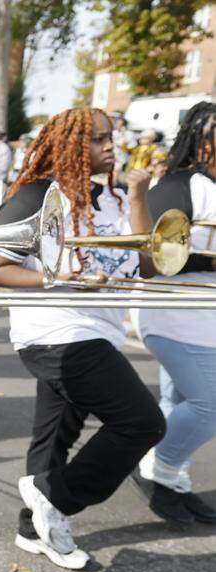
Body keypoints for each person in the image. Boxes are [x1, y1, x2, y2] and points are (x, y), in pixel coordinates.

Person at [0, 107, 166, 572]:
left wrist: (139, 195)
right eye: (98, 139)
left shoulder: (115, 199)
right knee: (143, 423)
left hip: (98, 329)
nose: (111, 147)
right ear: (69, 146)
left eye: (111, 138)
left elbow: (150, 265)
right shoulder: (37, 196)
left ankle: (35, 527)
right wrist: (64, 278)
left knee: (55, 434)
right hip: (56, 332)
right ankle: (53, 496)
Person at [132, 101, 216, 524]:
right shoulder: (178, 184)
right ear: (198, 140)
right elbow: (156, 254)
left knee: (180, 401)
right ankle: (156, 466)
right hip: (175, 312)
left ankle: (172, 483)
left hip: (204, 317)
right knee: (210, 405)